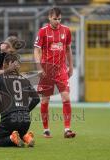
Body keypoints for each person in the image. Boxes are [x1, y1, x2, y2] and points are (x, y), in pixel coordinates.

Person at [34, 7, 76, 138]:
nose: (57, 21)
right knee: (45, 100)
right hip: (46, 70)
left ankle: (67, 129)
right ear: (49, 17)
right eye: (54, 19)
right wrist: (39, 67)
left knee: (66, 97)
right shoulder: (42, 32)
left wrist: (71, 66)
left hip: (61, 69)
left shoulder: (66, 31)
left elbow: (68, 49)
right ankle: (46, 129)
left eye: (59, 19)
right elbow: (36, 50)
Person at [0, 54, 40, 147]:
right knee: (17, 136)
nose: (3, 65)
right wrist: (26, 110)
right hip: (26, 120)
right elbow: (36, 99)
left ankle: (12, 138)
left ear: (9, 63)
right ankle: (26, 137)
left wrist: (4, 113)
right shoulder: (25, 79)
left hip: (10, 118)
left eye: (4, 63)